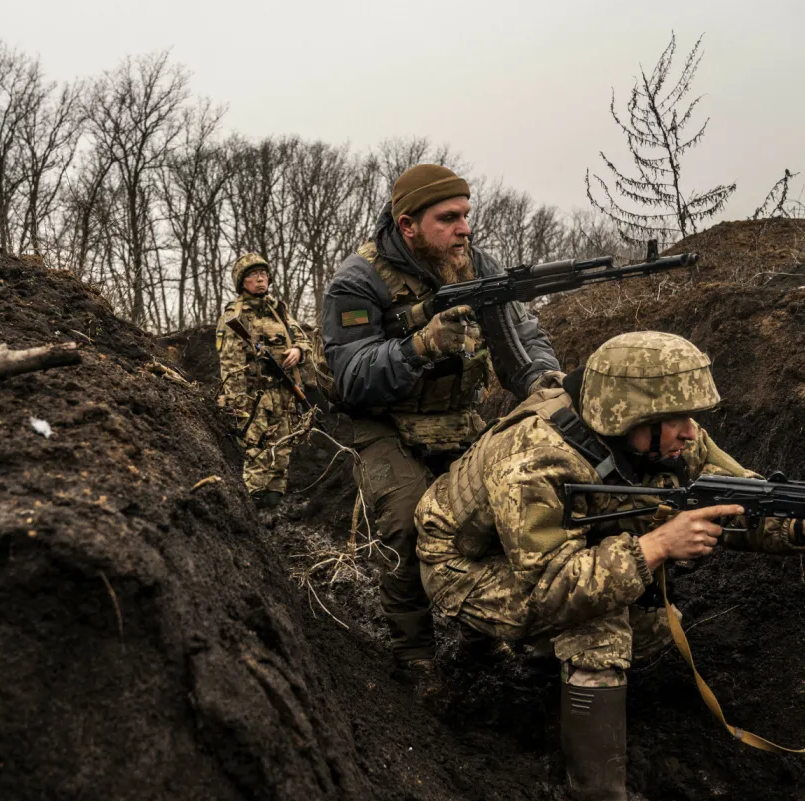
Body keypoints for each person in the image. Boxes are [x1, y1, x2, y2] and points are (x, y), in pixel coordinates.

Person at [414, 331, 805, 801]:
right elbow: (551, 588)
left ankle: (542, 669)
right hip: (463, 565)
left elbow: (739, 496)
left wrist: (799, 523)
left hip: (552, 555)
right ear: (629, 414)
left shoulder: (666, 439)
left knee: (658, 628)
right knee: (598, 627)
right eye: (676, 419)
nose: (691, 432)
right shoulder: (534, 457)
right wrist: (658, 545)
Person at [321, 163, 561, 679]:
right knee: (407, 525)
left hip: (457, 418)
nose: (465, 229)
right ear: (408, 226)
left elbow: (522, 341)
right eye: (448, 218)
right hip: (384, 424)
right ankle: (416, 657)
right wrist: (418, 346)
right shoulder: (357, 280)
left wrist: (544, 380)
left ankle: (485, 636)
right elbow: (350, 378)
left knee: (503, 514)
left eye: (466, 216)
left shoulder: (479, 265)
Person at [216, 253, 309, 509]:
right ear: (241, 282)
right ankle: (253, 511)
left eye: (263, 274)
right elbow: (230, 364)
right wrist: (238, 405)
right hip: (255, 397)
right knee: (255, 453)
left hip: (284, 394)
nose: (260, 279)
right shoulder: (234, 316)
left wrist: (298, 351)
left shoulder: (279, 310)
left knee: (282, 452)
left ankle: (274, 509)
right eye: (252, 275)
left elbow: (303, 339)